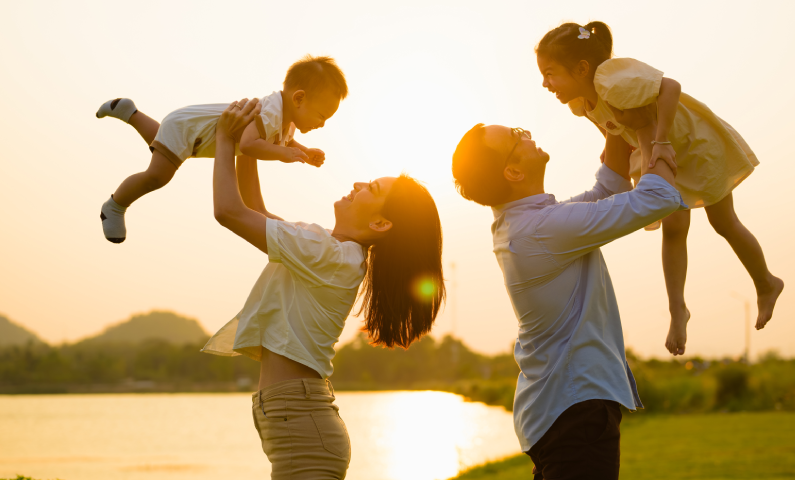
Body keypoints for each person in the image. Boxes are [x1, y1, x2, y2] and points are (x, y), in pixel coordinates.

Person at [202, 98, 446, 480]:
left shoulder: (330, 255)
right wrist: (247, 144)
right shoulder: (329, 251)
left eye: (372, 188)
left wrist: (223, 139)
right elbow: (254, 209)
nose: (357, 184)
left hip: (303, 424)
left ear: (381, 224)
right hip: (298, 419)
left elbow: (229, 212)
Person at [451, 105, 683, 479]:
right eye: (516, 136)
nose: (525, 133)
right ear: (513, 171)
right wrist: (657, 138)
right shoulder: (540, 229)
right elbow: (659, 199)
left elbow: (608, 190)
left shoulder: (529, 223)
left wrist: (610, 114)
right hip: (576, 410)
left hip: (561, 410)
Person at [535, 21, 783, 355]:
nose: (545, 83)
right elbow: (611, 124)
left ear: (581, 68)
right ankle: (677, 309)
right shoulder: (582, 102)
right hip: (652, 149)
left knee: (723, 222)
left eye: (550, 73)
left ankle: (766, 283)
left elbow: (670, 87)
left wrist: (663, 138)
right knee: (675, 227)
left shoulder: (612, 79)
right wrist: (613, 145)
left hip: (690, 142)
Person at [95, 55, 346, 243]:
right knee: (158, 175)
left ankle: (129, 112)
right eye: (321, 116)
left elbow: (283, 141)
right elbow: (249, 144)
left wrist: (303, 151)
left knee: (162, 143)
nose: (321, 124)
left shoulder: (285, 119)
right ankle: (114, 206)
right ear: (299, 99)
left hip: (194, 133)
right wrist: (285, 155)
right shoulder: (270, 112)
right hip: (189, 128)